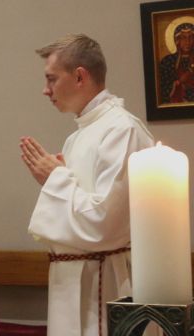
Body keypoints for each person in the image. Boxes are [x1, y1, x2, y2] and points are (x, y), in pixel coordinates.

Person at [19, 34, 154, 336]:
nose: (45, 90)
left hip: (104, 285)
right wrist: (57, 180)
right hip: (73, 280)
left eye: (51, 79)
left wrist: (55, 179)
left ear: (79, 76)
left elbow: (104, 223)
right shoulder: (78, 135)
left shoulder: (121, 130)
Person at [159, 22, 194, 103]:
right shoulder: (167, 61)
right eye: (183, 37)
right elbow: (163, 88)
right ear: (177, 40)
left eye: (191, 37)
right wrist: (178, 82)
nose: (187, 41)